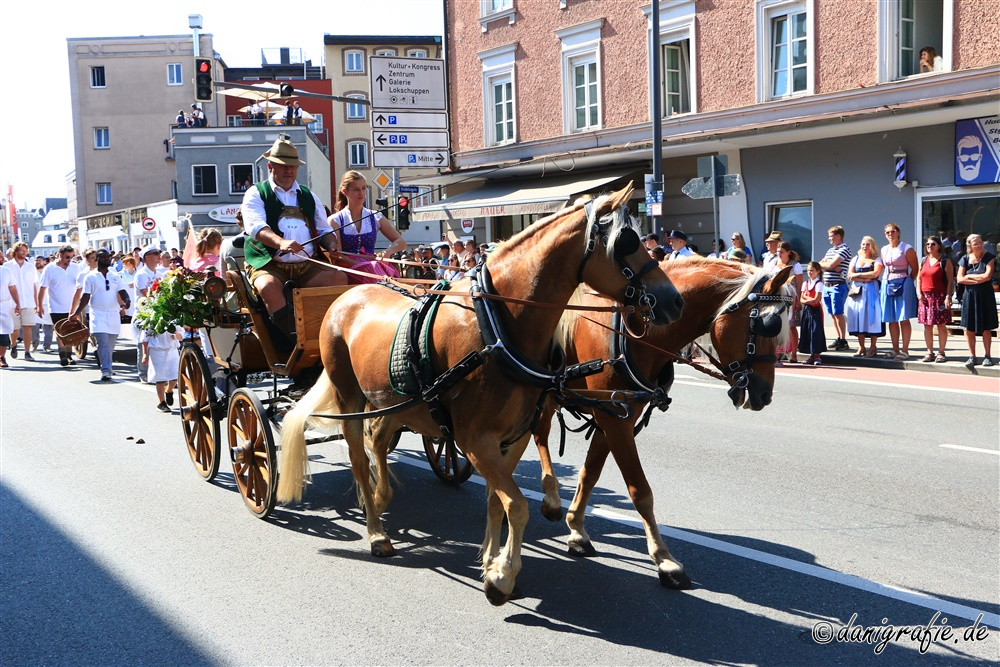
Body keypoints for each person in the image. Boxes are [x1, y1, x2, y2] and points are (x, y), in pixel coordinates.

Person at [241, 135, 345, 346]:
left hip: (306, 265)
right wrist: (280, 243)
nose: (289, 170)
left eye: (293, 166)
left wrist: (331, 245)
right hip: (268, 263)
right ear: (271, 166)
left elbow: (324, 229)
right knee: (268, 286)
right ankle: (294, 344)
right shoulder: (256, 193)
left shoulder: (308, 196)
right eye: (283, 165)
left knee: (338, 279)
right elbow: (256, 227)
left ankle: (328, 339)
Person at [329, 170, 407, 284]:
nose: (361, 193)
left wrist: (388, 251)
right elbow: (338, 257)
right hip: (349, 269)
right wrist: (365, 265)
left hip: (373, 267)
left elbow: (401, 242)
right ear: (345, 192)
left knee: (391, 276)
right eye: (356, 189)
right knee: (378, 274)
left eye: (364, 188)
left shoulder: (375, 216)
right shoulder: (336, 220)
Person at [69, 249, 130, 382]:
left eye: (108, 257)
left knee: (110, 344)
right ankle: (106, 370)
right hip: (98, 314)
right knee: (102, 342)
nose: (107, 259)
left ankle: (107, 364)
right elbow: (85, 297)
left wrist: (127, 300)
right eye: (103, 257)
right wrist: (76, 313)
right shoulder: (90, 277)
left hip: (113, 314)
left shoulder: (115, 276)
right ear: (97, 259)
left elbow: (122, 291)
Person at [37, 245, 82, 367]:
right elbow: (42, 288)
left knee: (71, 331)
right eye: (67, 257)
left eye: (71, 257)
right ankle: (63, 356)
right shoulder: (50, 269)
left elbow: (80, 287)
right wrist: (39, 305)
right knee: (60, 331)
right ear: (60, 255)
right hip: (56, 305)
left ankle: (69, 355)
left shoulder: (75, 268)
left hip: (72, 306)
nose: (69, 259)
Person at [879, 223, 919, 360]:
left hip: (903, 281)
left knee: (903, 318)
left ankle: (905, 350)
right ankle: (895, 348)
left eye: (893, 231)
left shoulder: (906, 248)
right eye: (888, 232)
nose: (890, 234)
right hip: (887, 282)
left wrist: (907, 282)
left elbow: (915, 269)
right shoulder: (884, 249)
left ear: (898, 232)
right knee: (891, 318)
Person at [956, 234, 996, 368]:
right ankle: (972, 356)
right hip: (969, 296)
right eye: (976, 243)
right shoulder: (965, 258)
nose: (979, 245)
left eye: (980, 242)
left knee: (986, 328)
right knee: (969, 328)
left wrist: (969, 276)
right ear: (970, 246)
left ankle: (988, 356)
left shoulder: (989, 257)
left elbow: (987, 276)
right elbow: (960, 279)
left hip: (985, 296)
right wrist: (976, 278)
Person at [915, 236, 955, 363]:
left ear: (938, 246)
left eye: (932, 244)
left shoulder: (944, 260)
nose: (929, 246)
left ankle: (941, 352)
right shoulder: (923, 260)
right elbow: (919, 278)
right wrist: (919, 293)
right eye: (927, 244)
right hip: (925, 297)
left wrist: (948, 296)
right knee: (927, 326)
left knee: (941, 325)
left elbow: (950, 280)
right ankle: (929, 352)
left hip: (940, 296)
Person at [845, 236, 885, 358]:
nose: (864, 247)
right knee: (858, 316)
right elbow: (850, 275)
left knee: (872, 316)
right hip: (858, 291)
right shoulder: (855, 259)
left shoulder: (877, 259)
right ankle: (861, 347)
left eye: (867, 244)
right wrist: (865, 278)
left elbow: (875, 273)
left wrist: (860, 275)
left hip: (872, 291)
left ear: (872, 246)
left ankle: (873, 347)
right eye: (863, 244)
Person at [818, 225, 852, 352]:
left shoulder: (844, 249)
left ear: (838, 236)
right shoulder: (830, 250)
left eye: (831, 236)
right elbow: (820, 264)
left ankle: (843, 340)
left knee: (838, 313)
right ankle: (838, 337)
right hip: (827, 286)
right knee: (832, 314)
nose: (829, 239)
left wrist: (829, 265)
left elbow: (830, 264)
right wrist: (830, 266)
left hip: (838, 285)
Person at [6, 242, 38, 361]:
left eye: (26, 250)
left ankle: (27, 352)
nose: (24, 253)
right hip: (12, 302)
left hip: (28, 301)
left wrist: (37, 303)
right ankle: (13, 345)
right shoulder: (8, 266)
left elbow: (34, 285)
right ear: (15, 251)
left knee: (27, 327)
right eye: (22, 250)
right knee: (14, 328)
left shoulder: (30, 266)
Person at [775, 241, 803, 363]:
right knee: (778, 326)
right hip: (777, 296)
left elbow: (799, 285)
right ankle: (778, 354)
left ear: (788, 252)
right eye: (778, 252)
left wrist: (799, 301)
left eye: (781, 252)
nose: (779, 254)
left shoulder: (795, 265)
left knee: (791, 326)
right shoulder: (774, 264)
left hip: (791, 297)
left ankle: (794, 354)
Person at [146, 328, 183, 412]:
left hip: (172, 351)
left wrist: (176, 334)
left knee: (175, 376)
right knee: (160, 378)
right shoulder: (151, 321)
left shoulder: (175, 321)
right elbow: (145, 338)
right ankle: (161, 402)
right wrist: (145, 354)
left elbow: (181, 336)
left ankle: (169, 390)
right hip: (156, 351)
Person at [798, 261, 827, 365]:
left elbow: (816, 300)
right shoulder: (805, 283)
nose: (810, 272)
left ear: (817, 271)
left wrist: (807, 298)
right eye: (809, 270)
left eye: (812, 270)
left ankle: (817, 356)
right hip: (807, 310)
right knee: (807, 331)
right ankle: (811, 355)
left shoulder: (819, 284)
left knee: (816, 332)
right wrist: (807, 300)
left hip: (815, 310)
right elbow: (801, 298)